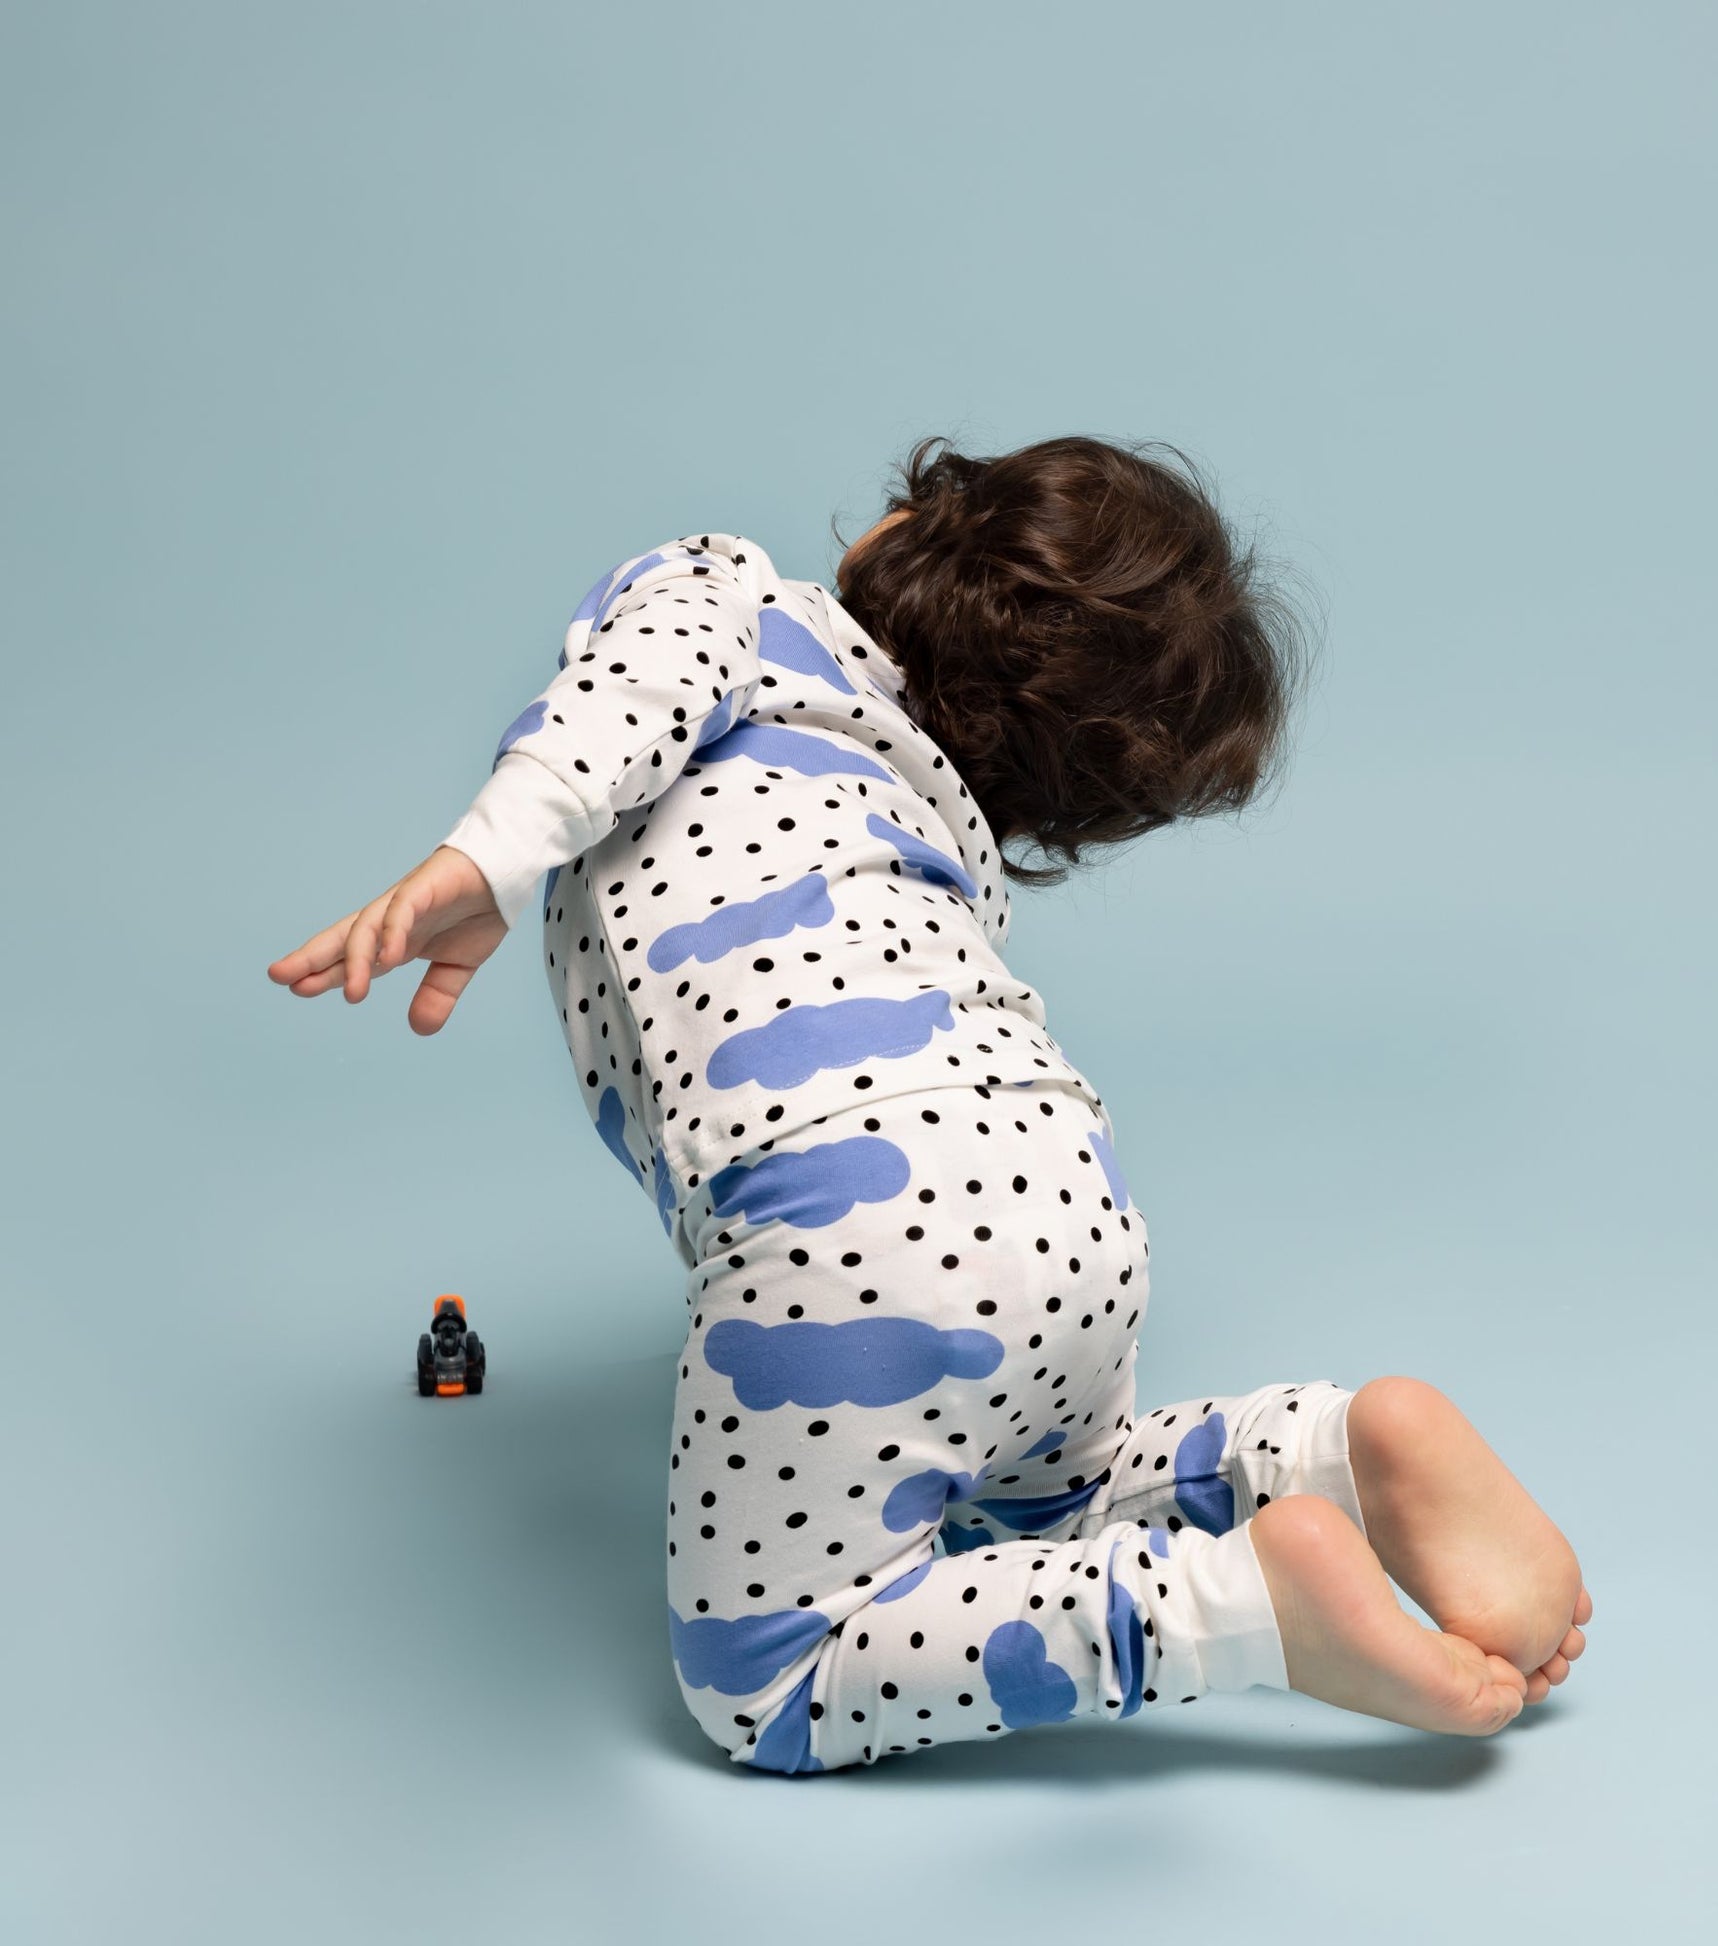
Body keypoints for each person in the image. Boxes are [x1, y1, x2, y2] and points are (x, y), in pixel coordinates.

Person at [267, 433, 1591, 1773]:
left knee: (770, 1682)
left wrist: (490, 858)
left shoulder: (724, 590)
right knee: (1044, 1499)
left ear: (901, 524)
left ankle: (1226, 1607)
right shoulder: (929, 821)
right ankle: (1324, 1454)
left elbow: (634, 695)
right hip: (1068, 1186)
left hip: (838, 1228)